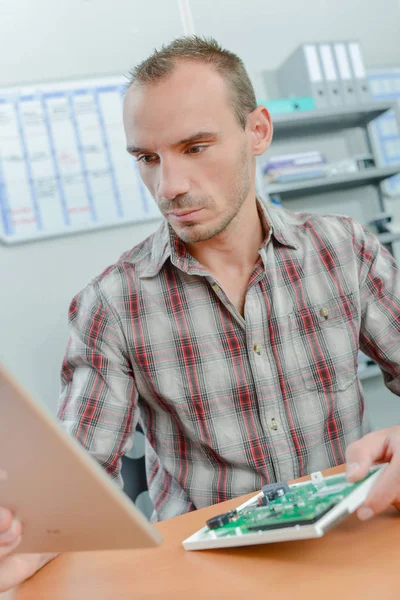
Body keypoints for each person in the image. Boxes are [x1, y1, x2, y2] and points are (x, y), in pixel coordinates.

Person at [1, 35, 400, 591]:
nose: (169, 186)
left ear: (257, 131)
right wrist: (28, 539)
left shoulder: (345, 249)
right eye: (147, 158)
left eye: (195, 147)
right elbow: (77, 488)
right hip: (211, 578)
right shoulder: (111, 304)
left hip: (356, 549)